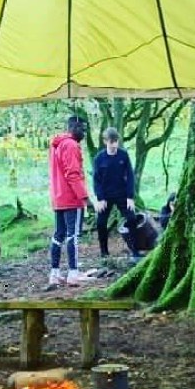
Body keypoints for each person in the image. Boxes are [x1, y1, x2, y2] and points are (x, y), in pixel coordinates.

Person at [48, 114, 93, 286]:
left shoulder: (57, 145)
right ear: (73, 127)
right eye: (82, 129)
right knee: (72, 235)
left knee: (58, 234)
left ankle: (55, 273)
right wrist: (86, 199)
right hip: (72, 198)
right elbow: (73, 174)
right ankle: (73, 273)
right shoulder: (71, 145)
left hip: (58, 197)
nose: (84, 133)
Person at [92, 128, 140, 258]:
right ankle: (104, 252)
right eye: (111, 142)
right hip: (106, 196)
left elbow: (130, 175)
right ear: (105, 141)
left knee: (131, 219)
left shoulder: (123, 155)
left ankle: (135, 251)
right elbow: (96, 180)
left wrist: (130, 197)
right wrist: (100, 198)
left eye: (116, 141)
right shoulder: (99, 158)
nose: (114, 145)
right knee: (101, 223)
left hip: (122, 194)